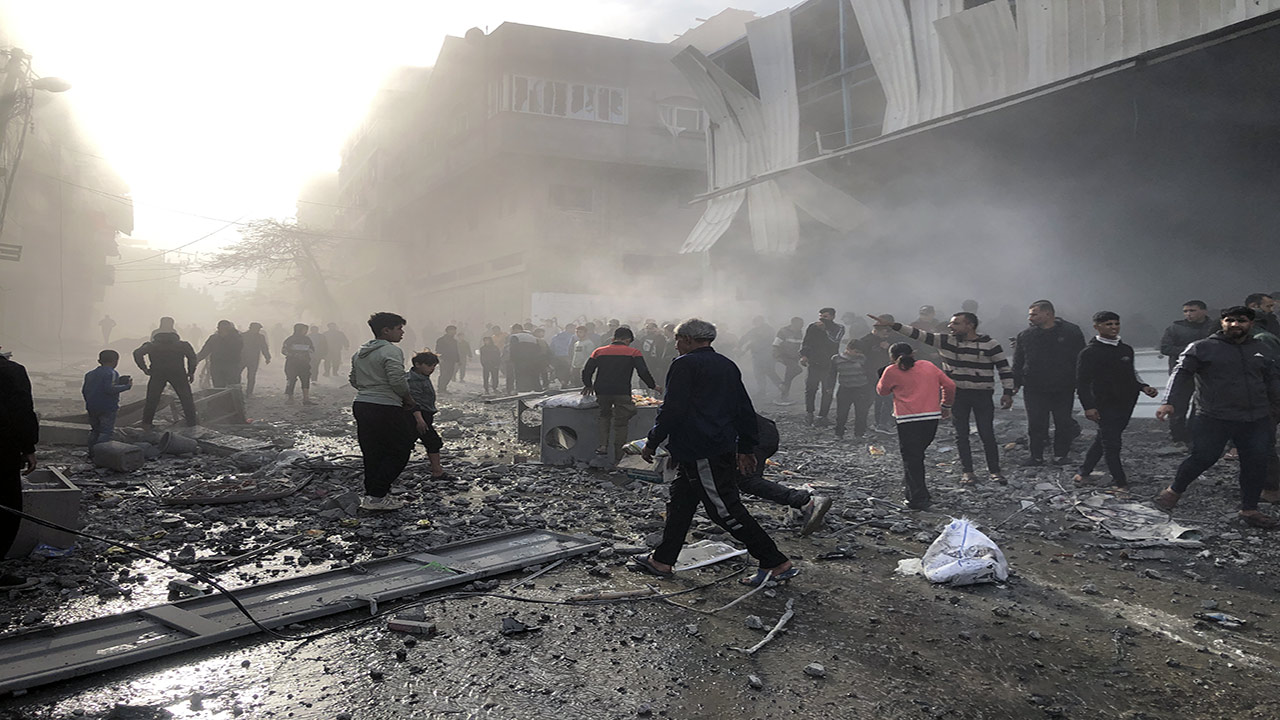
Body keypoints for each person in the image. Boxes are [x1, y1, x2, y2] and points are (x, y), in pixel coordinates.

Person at [632, 319, 796, 587]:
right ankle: (662, 560)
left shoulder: (684, 364)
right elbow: (743, 407)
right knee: (681, 503)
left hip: (702, 448)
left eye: (677, 340)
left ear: (686, 339)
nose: (675, 345)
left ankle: (775, 562)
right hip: (713, 445)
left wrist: (652, 441)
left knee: (724, 509)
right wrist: (745, 446)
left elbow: (672, 409)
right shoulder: (726, 364)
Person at [1155, 306, 1280, 528]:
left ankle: (1249, 509)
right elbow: (1181, 372)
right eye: (1229, 320)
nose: (1234, 324)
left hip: (1256, 417)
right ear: (1222, 323)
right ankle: (1174, 491)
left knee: (1256, 462)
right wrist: (1169, 401)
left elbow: (1272, 380)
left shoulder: (1261, 349)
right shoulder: (1203, 347)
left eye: (1240, 321)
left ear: (1250, 324)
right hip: (1214, 416)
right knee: (1203, 457)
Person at [870, 311, 1014, 484]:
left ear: (970, 325)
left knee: (987, 433)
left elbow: (1004, 368)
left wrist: (1007, 392)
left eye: (956, 324)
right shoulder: (946, 341)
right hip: (959, 394)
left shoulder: (990, 344)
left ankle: (994, 471)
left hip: (982, 393)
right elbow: (918, 334)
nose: (950, 326)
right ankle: (967, 472)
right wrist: (893, 325)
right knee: (961, 434)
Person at [1073, 312, 1159, 488]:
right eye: (1108, 324)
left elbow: (1131, 374)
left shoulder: (1125, 349)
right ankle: (1120, 481)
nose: (1113, 327)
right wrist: (1088, 406)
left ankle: (1083, 472)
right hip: (1104, 403)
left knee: (1105, 438)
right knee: (1112, 444)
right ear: (1097, 326)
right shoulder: (1090, 352)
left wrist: (1143, 387)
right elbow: (1082, 382)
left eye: (1116, 324)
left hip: (1126, 402)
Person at [349, 312, 417, 511]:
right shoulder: (391, 351)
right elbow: (397, 380)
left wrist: (368, 388)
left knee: (372, 451)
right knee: (401, 448)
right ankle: (378, 493)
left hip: (362, 404)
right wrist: (408, 399)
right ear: (386, 330)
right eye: (399, 328)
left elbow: (353, 380)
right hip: (385, 406)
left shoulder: (360, 353)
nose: (402, 332)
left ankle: (373, 496)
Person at [876, 343, 956, 511]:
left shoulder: (891, 371)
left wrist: (882, 376)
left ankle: (918, 498)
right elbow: (949, 385)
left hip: (907, 419)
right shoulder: (928, 365)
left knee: (912, 458)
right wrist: (946, 406)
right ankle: (912, 486)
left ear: (891, 357)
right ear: (914, 353)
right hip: (931, 417)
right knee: (917, 454)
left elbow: (882, 392)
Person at [1012, 300, 1086, 466]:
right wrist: (1015, 383)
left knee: (1063, 421)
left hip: (1063, 385)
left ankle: (1060, 455)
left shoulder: (1071, 332)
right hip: (1034, 386)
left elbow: (1081, 359)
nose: (1030, 318)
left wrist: (1081, 382)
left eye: (1034, 314)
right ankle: (1036, 456)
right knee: (1036, 422)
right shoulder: (1026, 336)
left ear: (1048, 313)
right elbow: (1018, 361)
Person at [737, 414, 832, 536]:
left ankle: (807, 502)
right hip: (759, 433)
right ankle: (811, 513)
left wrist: (744, 449)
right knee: (733, 478)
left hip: (755, 436)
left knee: (746, 480)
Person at [581, 327, 658, 463]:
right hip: (622, 391)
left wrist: (588, 384)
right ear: (628, 340)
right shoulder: (634, 352)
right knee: (621, 423)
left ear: (613, 338)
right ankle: (619, 458)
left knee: (604, 416)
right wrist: (653, 386)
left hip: (602, 391)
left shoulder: (598, 351)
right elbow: (643, 372)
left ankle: (603, 446)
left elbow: (587, 370)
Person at [0, 348, 38, 587]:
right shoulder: (10, 372)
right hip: (2, 449)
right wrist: (28, 447)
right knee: (7, 508)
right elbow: (22, 411)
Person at [1158, 300, 1215, 443]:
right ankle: (1178, 437)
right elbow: (1165, 348)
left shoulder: (1213, 327)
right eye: (1186, 311)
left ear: (1204, 311)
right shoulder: (1175, 328)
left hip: (1207, 372)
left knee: (1202, 405)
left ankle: (1195, 434)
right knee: (1178, 404)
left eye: (1192, 310)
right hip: (1183, 371)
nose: (1188, 314)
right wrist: (1192, 351)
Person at [133, 329, 199, 430]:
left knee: (152, 399)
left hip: (157, 373)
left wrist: (144, 368)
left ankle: (146, 423)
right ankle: (192, 424)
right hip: (178, 373)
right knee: (186, 399)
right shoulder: (182, 345)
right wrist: (191, 372)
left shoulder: (151, 345)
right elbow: (192, 357)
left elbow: (137, 353)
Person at [406, 352, 454, 481]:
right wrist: (419, 419)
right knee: (429, 442)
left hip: (424, 415)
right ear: (417, 364)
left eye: (434, 366)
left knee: (428, 442)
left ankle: (437, 471)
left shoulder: (422, 376)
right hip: (417, 416)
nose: (432, 369)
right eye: (429, 366)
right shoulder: (413, 380)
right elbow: (412, 403)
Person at [82, 350, 133, 456]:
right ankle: (100, 454)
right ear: (115, 361)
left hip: (92, 406)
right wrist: (126, 386)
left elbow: (84, 390)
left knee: (95, 430)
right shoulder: (112, 372)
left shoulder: (89, 374)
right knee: (106, 432)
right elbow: (110, 389)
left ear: (99, 360)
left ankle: (91, 452)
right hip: (107, 407)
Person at [799, 307, 845, 425]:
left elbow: (835, 340)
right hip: (814, 362)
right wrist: (804, 355)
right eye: (821, 316)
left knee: (827, 390)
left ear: (832, 317)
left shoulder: (839, 328)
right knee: (811, 389)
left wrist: (825, 330)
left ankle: (822, 416)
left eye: (825, 317)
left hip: (830, 364)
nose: (822, 319)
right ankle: (809, 413)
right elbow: (807, 342)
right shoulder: (813, 327)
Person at [855, 317, 896, 432]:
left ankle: (880, 423)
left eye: (888, 333)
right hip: (869, 375)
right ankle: (863, 425)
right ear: (876, 330)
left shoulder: (889, 340)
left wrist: (887, 348)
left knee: (884, 400)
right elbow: (861, 358)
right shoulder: (865, 341)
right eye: (884, 333)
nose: (886, 335)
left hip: (885, 374)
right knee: (870, 400)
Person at [828, 339, 873, 440]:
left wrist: (871, 389)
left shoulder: (863, 359)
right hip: (845, 388)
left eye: (860, 352)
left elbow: (870, 374)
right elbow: (832, 374)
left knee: (861, 412)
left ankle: (859, 434)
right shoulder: (836, 359)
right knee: (841, 413)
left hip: (861, 388)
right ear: (848, 349)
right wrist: (829, 387)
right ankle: (839, 433)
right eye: (856, 352)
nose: (858, 354)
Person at [740, 315, 782, 398]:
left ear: (762, 321)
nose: (756, 324)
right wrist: (740, 346)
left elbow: (767, 340)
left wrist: (752, 344)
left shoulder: (768, 330)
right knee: (758, 373)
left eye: (757, 322)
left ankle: (782, 388)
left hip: (767, 355)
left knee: (770, 372)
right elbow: (745, 337)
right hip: (757, 355)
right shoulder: (754, 330)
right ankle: (762, 390)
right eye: (755, 322)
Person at [196, 320, 244, 388]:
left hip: (231, 366)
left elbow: (237, 350)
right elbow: (205, 351)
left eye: (224, 329)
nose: (221, 330)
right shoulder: (213, 338)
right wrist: (196, 359)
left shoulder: (236, 338)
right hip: (217, 367)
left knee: (233, 388)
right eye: (220, 328)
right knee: (219, 388)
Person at [281, 323, 315, 405]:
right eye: (304, 329)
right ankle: (290, 398)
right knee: (291, 379)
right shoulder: (290, 339)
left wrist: (309, 351)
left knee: (305, 379)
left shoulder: (307, 339)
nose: (305, 331)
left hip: (304, 363)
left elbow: (312, 349)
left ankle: (306, 398)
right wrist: (293, 354)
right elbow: (284, 350)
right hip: (292, 363)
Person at [240, 322, 271, 397]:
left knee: (251, 375)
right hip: (245, 358)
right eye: (257, 329)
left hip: (249, 358)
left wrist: (267, 357)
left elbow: (264, 348)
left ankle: (248, 392)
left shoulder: (243, 336)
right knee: (242, 374)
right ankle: (243, 391)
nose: (257, 330)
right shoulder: (242, 336)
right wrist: (267, 357)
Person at [434, 326, 461, 393]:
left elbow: (456, 351)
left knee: (450, 374)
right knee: (443, 374)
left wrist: (458, 360)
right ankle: (441, 388)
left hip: (452, 359)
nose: (454, 332)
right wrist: (440, 358)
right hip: (444, 359)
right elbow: (438, 350)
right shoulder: (441, 340)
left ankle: (444, 387)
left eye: (455, 330)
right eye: (453, 330)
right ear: (448, 331)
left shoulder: (454, 341)